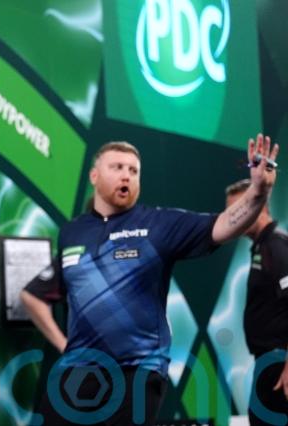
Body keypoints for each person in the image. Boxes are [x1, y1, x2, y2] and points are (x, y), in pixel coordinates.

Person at [21, 137, 279, 425]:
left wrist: (259, 191)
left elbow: (223, 225)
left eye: (133, 170)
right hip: (77, 370)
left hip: (136, 371)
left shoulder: (158, 224)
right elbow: (35, 295)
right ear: (94, 176)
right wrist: (62, 343)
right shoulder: (73, 233)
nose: (126, 175)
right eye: (117, 167)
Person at [225, 179, 288, 426]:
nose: (233, 217)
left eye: (239, 209)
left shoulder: (277, 247)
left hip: (279, 364)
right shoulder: (262, 247)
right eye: (231, 211)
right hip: (267, 362)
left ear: (260, 206)